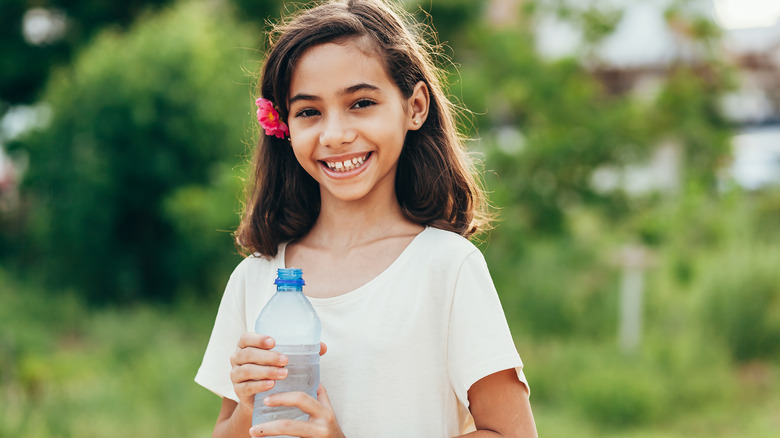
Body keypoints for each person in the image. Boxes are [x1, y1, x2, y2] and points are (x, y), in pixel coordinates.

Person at [195, 0, 537, 436]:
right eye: (309, 112)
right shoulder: (255, 278)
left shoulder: (447, 268)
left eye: (360, 103)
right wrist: (248, 407)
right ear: (284, 126)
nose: (335, 135)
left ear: (414, 107)